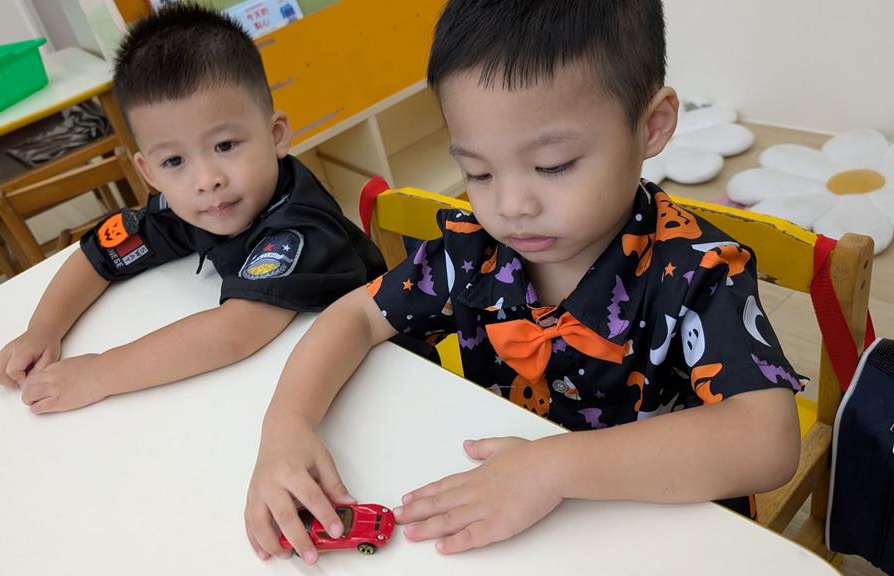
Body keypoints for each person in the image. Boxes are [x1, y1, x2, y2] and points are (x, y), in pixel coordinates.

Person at [245, 0, 801, 565]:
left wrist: (552, 467)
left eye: (553, 165)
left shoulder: (697, 271)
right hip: (516, 530)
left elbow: (767, 441)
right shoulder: (473, 252)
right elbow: (357, 316)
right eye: (478, 172)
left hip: (666, 532)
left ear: (651, 126)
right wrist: (287, 426)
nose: (510, 206)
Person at [0, 4, 386, 414]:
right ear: (149, 172)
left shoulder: (301, 225)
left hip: (382, 374)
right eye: (174, 161)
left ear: (276, 135)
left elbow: (235, 332)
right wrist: (44, 328)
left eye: (225, 145)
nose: (206, 179)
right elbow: (98, 255)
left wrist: (98, 374)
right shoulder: (195, 205)